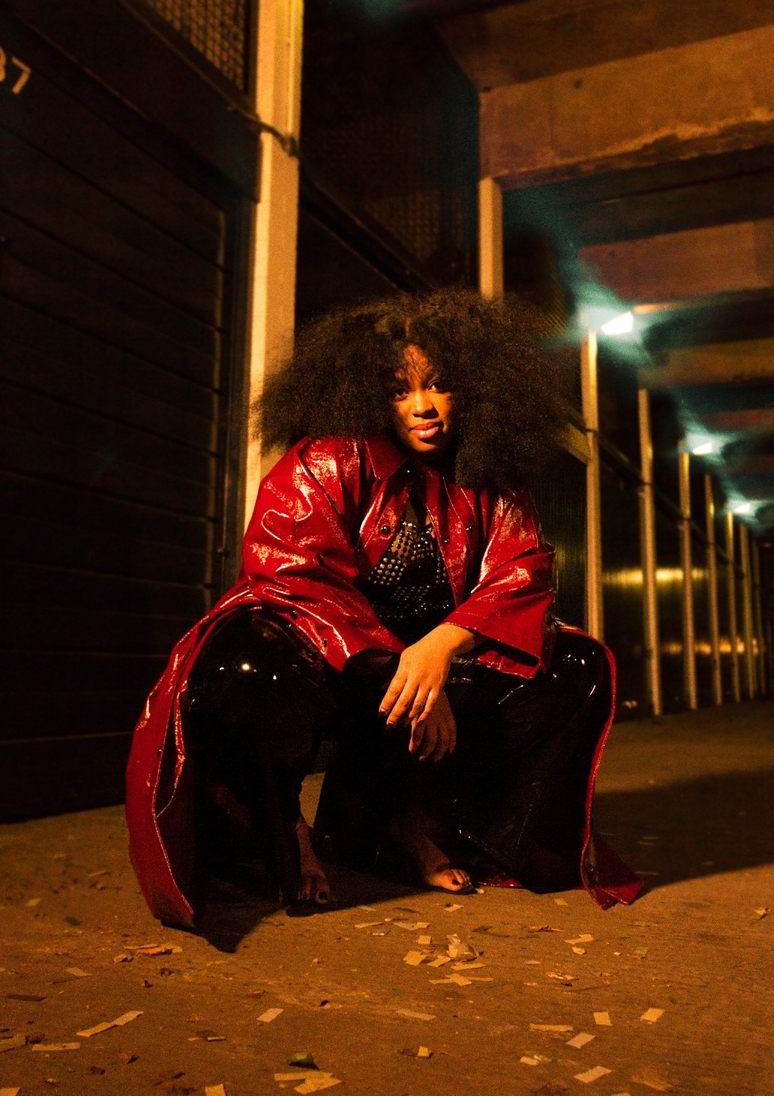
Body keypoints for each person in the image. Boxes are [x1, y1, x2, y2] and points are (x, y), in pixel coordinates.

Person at [126, 289, 641, 928]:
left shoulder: (490, 475)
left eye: (440, 386)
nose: (422, 406)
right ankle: (289, 829)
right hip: (334, 671)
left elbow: (522, 572)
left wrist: (440, 649)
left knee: (579, 666)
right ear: (369, 393)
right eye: (400, 390)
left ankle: (416, 824)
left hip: (429, 674)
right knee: (242, 669)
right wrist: (404, 669)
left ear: (476, 389)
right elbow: (293, 578)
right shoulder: (325, 459)